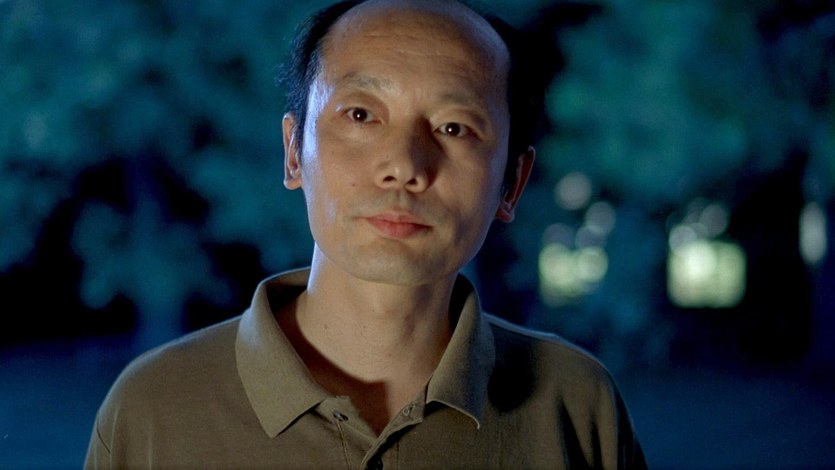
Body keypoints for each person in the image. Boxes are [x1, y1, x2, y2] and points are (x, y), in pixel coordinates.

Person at [84, 0, 647, 468]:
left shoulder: (576, 404)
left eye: (454, 127)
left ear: (511, 184)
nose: (403, 165)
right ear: (293, 152)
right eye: (360, 115)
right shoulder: (153, 410)